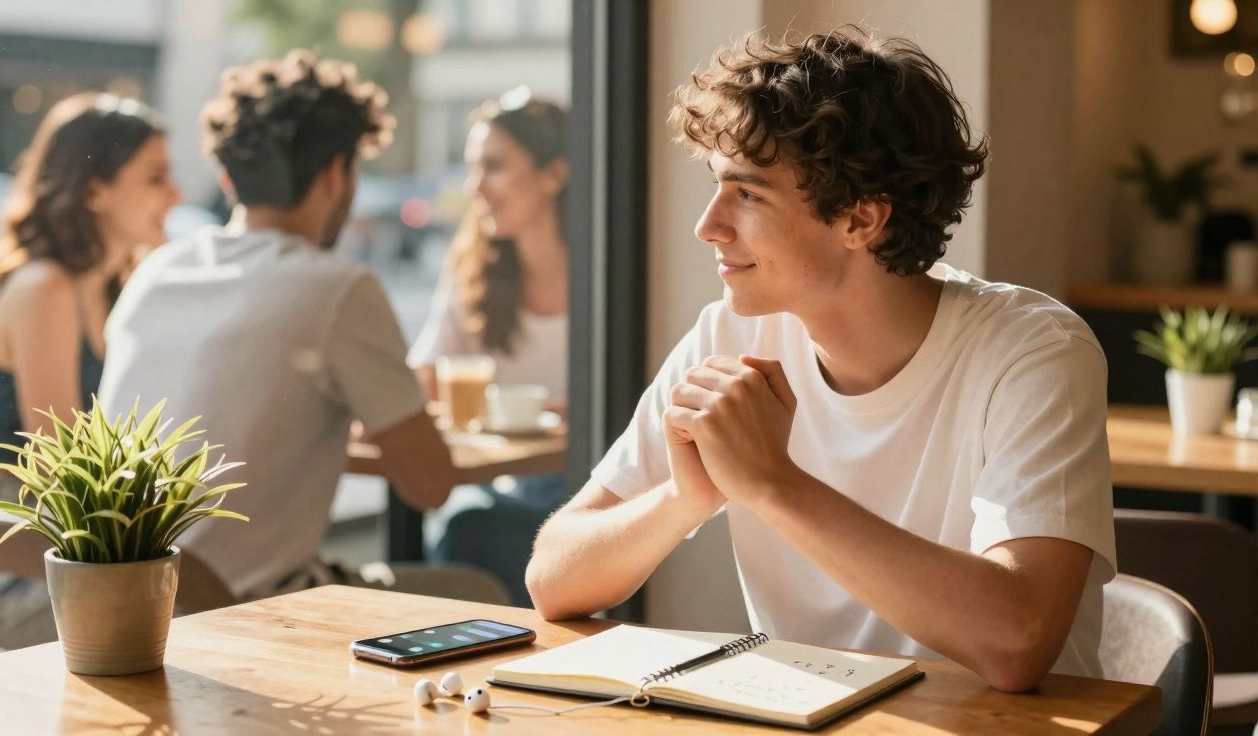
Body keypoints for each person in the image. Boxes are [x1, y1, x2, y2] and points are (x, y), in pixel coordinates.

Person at [525, 28, 1116, 693]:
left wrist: (771, 483)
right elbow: (553, 579)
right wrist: (684, 497)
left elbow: (1017, 641)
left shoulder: (1033, 351)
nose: (708, 226)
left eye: (748, 194)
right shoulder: (730, 334)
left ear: (861, 220)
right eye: (718, 186)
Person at [97, 50, 461, 602]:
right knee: (477, 586)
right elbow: (431, 485)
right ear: (336, 174)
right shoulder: (336, 287)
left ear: (228, 176)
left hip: (128, 612)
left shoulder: (155, 270)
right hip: (255, 615)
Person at [0, 93, 181, 648]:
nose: (175, 195)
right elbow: (63, 466)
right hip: (8, 552)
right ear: (94, 191)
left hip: (64, 537)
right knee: (193, 612)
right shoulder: (44, 288)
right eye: (155, 177)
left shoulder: (114, 282)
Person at [407, 90, 569, 606]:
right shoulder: (473, 271)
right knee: (468, 520)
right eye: (473, 167)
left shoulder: (607, 275)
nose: (474, 186)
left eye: (494, 167)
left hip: (583, 486)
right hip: (503, 481)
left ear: (554, 174)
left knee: (475, 526)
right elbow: (422, 381)